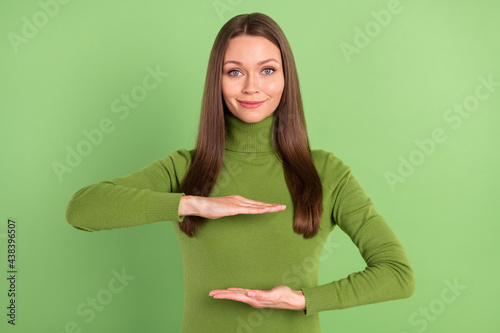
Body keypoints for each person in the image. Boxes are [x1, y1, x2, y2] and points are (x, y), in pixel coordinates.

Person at [65, 12, 415, 332]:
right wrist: (194, 204)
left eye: (267, 70)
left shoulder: (326, 172)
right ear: (216, 81)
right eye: (235, 71)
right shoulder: (185, 167)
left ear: (285, 78)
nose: (251, 87)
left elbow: (397, 274)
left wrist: (303, 299)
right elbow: (82, 210)